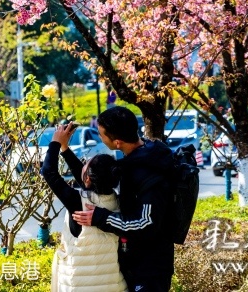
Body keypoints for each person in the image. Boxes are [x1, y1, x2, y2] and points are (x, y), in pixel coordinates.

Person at [73, 107, 175, 292]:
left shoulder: (149, 172)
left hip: (151, 268)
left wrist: (100, 218)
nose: (99, 137)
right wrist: (64, 148)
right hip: (135, 262)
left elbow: (146, 223)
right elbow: (92, 178)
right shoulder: (136, 160)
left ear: (117, 142)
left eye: (101, 134)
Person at [41, 122, 126, 292]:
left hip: (78, 285)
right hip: (113, 284)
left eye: (86, 164)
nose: (83, 164)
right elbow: (88, 180)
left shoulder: (78, 202)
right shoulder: (115, 200)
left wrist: (55, 142)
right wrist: (65, 149)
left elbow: (48, 171)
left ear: (87, 178)